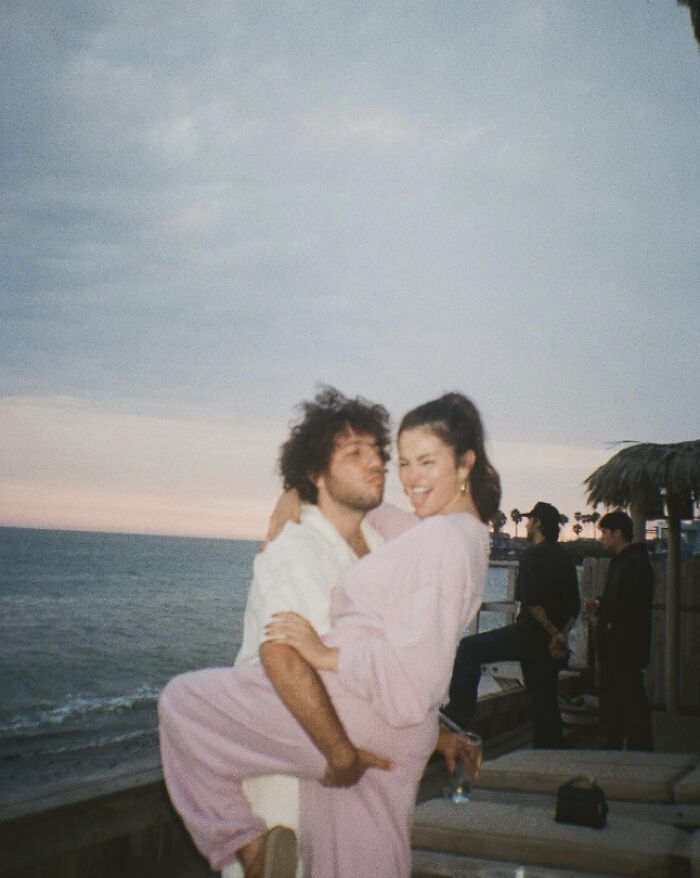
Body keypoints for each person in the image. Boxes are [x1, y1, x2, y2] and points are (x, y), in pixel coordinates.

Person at [158, 391, 500, 878]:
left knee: (181, 704)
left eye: (425, 461)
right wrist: (298, 491)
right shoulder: (440, 533)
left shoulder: (438, 539)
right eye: (399, 460)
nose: (398, 474)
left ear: (464, 464)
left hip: (350, 712)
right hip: (396, 727)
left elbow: (290, 654)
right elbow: (378, 520)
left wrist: (329, 663)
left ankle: (243, 844)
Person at [444, 501, 581, 748]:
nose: (527, 525)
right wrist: (560, 635)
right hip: (552, 643)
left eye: (530, 521)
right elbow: (574, 607)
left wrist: (551, 632)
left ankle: (458, 715)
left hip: (529, 636)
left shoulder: (530, 556)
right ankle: (549, 748)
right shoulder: (565, 557)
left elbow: (532, 603)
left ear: (537, 523)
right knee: (544, 696)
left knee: (468, 648)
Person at [584, 510, 654, 751]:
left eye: (605, 532)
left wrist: (603, 607)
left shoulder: (635, 564)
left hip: (625, 646)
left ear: (618, 533)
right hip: (615, 646)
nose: (601, 537)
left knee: (630, 699)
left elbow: (630, 606)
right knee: (613, 699)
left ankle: (639, 748)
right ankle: (615, 742)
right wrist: (601, 605)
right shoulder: (621, 563)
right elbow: (618, 601)